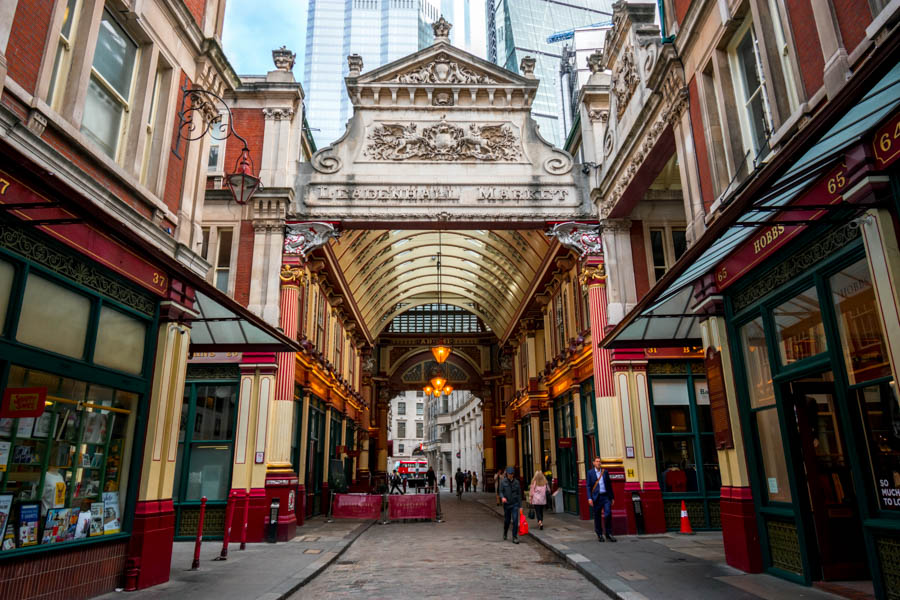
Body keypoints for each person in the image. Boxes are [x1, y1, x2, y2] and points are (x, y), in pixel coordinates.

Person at [586, 456, 616, 542]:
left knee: (608, 514)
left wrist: (612, 497)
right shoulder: (590, 473)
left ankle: (608, 533)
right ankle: (599, 534)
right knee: (597, 516)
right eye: (597, 461)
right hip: (597, 497)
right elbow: (588, 486)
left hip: (606, 496)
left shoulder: (605, 472)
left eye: (599, 461)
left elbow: (609, 485)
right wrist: (589, 498)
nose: (598, 463)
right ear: (593, 463)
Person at [499, 466, 522, 544]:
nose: (510, 475)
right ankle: (505, 532)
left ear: (513, 474)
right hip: (507, 504)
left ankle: (514, 536)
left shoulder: (517, 482)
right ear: (507, 474)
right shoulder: (503, 482)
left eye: (512, 474)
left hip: (515, 504)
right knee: (507, 521)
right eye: (509, 474)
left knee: (515, 520)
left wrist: (520, 506)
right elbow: (500, 491)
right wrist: (502, 497)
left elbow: (519, 494)